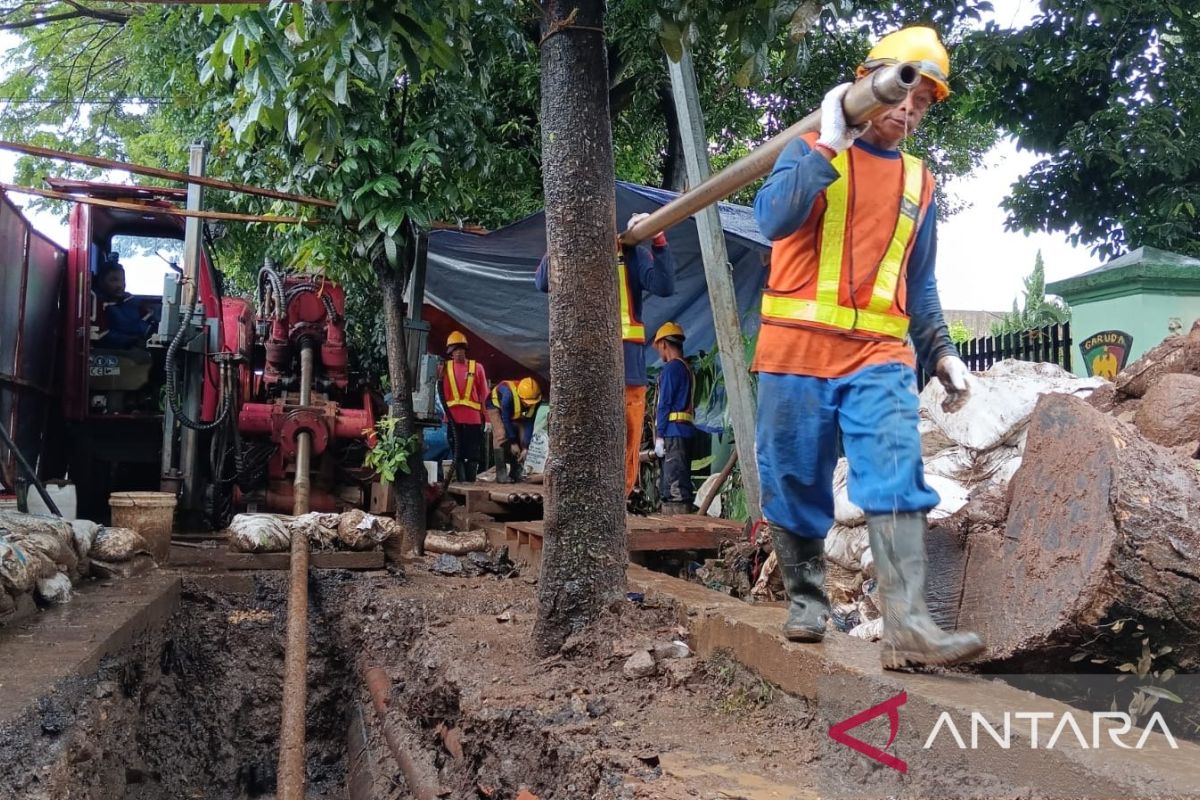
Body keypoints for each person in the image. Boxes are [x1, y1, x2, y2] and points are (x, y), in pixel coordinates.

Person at [751, 26, 984, 670]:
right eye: (903, 94)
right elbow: (772, 220)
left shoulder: (920, 182)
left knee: (894, 472)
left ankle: (908, 624)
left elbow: (920, 277)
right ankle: (806, 598)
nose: (909, 110)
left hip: (879, 354)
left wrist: (939, 348)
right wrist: (828, 142)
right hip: (794, 350)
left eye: (924, 102)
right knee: (795, 475)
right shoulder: (805, 150)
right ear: (867, 85)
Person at [536, 213, 676, 502]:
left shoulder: (630, 251)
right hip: (590, 366)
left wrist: (658, 236)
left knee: (626, 441)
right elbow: (543, 282)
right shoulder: (574, 251)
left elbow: (665, 286)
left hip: (628, 368)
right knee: (588, 440)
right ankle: (589, 502)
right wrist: (559, 238)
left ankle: (617, 503)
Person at [651, 322, 695, 515]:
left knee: (673, 488)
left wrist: (660, 436)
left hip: (672, 433)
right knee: (681, 483)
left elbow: (664, 403)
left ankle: (677, 529)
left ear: (663, 344)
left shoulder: (671, 369)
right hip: (684, 431)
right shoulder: (686, 368)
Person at [440, 330, 490, 482]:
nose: (458, 353)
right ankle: (462, 483)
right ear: (450, 352)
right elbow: (439, 392)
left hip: (473, 420)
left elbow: (484, 395)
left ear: (465, 350)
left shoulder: (477, 368)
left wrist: (487, 419)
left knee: (473, 453)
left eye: (461, 349)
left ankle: (471, 482)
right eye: (455, 350)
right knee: (457, 454)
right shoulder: (444, 369)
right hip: (453, 420)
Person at [486, 377, 542, 484]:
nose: (529, 405)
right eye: (526, 402)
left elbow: (529, 423)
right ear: (520, 396)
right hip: (494, 405)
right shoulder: (508, 396)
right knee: (501, 434)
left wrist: (525, 447)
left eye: (531, 402)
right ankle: (501, 474)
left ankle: (516, 471)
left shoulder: (536, 400)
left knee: (521, 431)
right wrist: (513, 442)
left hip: (512, 410)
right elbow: (506, 419)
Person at [92, 255, 155, 349]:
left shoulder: (129, 299)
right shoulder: (98, 303)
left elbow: (149, 319)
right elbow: (103, 336)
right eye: (114, 280)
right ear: (101, 281)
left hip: (144, 342)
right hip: (117, 349)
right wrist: (133, 341)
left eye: (122, 280)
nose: (120, 285)